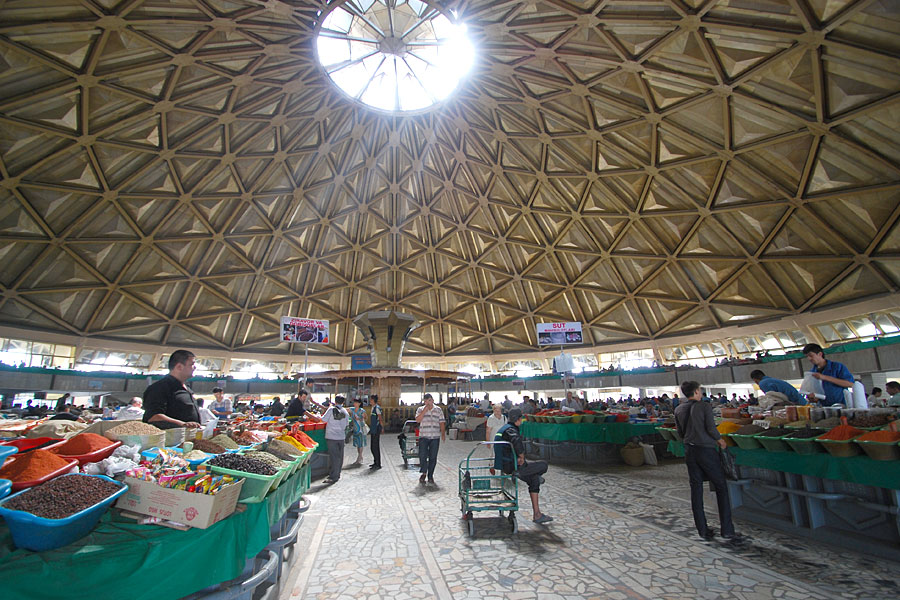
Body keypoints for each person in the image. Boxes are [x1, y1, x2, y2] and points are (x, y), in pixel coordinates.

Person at [675, 380, 745, 545]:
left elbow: (680, 432)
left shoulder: (678, 409)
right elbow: (711, 428)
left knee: (696, 489)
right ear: (697, 392)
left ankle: (703, 530)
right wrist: (720, 441)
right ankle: (727, 530)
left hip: (689, 451)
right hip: (705, 450)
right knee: (721, 487)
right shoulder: (704, 407)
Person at [493, 409, 551, 524]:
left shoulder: (503, 428)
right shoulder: (511, 429)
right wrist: (522, 456)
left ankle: (537, 515)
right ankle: (519, 474)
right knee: (543, 465)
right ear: (518, 419)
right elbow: (516, 441)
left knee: (534, 480)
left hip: (506, 464)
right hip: (511, 466)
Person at [142, 350, 202, 430]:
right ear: (179, 367)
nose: (195, 367)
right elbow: (153, 416)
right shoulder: (159, 388)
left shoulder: (187, 389)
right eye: (192, 364)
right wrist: (183, 424)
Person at [415, 393, 445, 484]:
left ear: (432, 400)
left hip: (435, 437)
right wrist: (424, 411)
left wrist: (443, 433)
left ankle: (430, 475)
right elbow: (418, 420)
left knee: (433, 457)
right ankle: (424, 472)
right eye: (425, 401)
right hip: (424, 436)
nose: (427, 403)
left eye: (429, 400)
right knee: (422, 455)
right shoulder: (420, 409)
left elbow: (442, 422)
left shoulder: (438, 410)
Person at [321, 396, 350, 484]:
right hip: (341, 437)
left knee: (334, 457)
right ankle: (337, 474)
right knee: (339, 457)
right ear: (343, 402)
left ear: (335, 401)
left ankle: (333, 477)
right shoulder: (345, 411)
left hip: (332, 437)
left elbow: (323, 420)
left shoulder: (331, 410)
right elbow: (346, 424)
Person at [349, 397, 367, 466]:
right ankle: (360, 456)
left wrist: (360, 418)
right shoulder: (352, 409)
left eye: (356, 402)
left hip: (361, 428)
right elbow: (346, 410)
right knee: (357, 443)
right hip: (355, 429)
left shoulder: (362, 410)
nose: (355, 404)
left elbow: (366, 417)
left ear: (359, 403)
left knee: (361, 443)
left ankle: (360, 456)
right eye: (354, 402)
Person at [369, 395, 383, 470]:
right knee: (372, 447)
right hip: (373, 429)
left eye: (370, 400)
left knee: (375, 446)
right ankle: (375, 462)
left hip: (376, 429)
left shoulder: (377, 408)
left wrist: (382, 427)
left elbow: (380, 419)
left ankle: (378, 464)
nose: (369, 401)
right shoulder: (373, 408)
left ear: (373, 400)